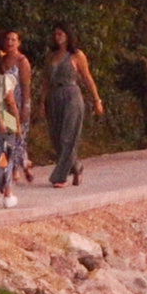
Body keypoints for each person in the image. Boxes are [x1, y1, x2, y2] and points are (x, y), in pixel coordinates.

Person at [40, 25, 102, 187]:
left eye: (60, 33)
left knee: (68, 136)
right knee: (56, 137)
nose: (57, 36)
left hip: (71, 95)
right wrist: (41, 101)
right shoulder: (51, 56)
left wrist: (97, 100)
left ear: (68, 35)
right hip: (54, 95)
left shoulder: (76, 55)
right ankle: (76, 167)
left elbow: (87, 77)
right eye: (55, 34)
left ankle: (60, 176)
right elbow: (45, 81)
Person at [0, 29, 31, 202]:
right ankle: (16, 168)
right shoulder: (1, 60)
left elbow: (26, 86)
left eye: (14, 39)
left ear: (19, 42)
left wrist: (26, 106)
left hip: (16, 102)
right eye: (8, 39)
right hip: (1, 104)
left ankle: (16, 168)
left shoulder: (22, 61)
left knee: (17, 139)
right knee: (4, 141)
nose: (10, 42)